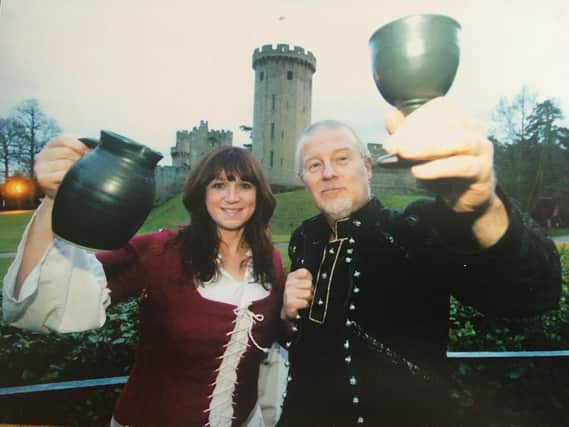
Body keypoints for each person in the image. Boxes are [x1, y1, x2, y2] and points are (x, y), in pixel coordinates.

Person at [277, 98, 562, 426]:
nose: (328, 173)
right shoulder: (304, 239)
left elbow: (538, 292)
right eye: (314, 165)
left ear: (367, 167)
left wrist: (485, 209)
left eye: (341, 158)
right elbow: (301, 343)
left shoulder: (416, 228)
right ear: (303, 178)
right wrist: (287, 317)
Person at [3, 142, 286, 426]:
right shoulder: (160, 251)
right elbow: (50, 301)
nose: (233, 197)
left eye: (245, 185)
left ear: (258, 194)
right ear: (202, 193)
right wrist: (53, 201)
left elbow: (278, 339)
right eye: (219, 185)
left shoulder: (269, 261)